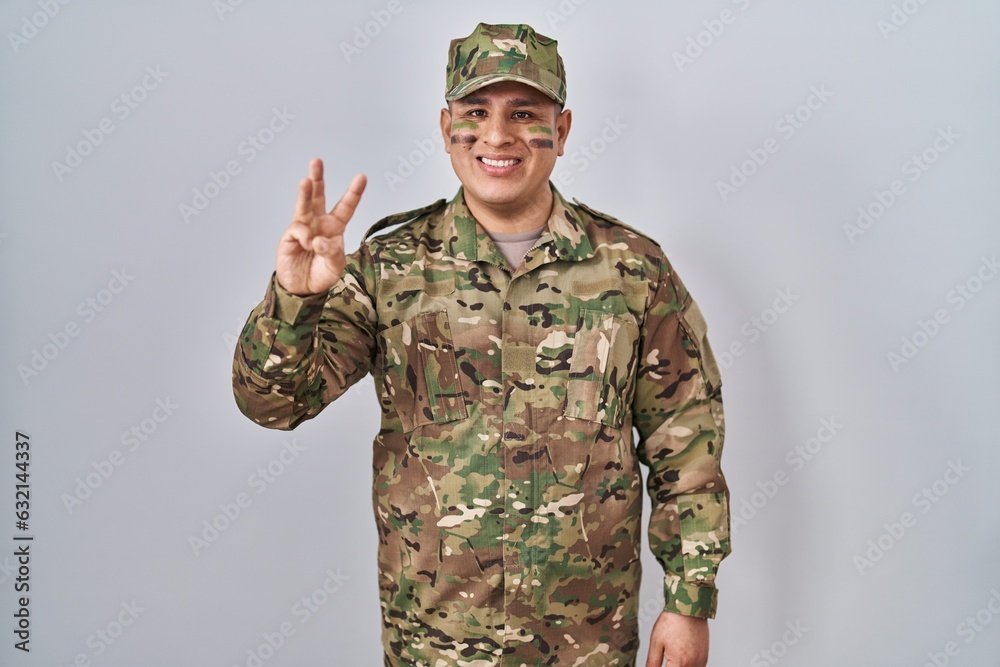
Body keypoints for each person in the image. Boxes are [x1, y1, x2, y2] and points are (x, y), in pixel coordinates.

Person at [232, 22, 731, 667]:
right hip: (434, 641)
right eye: (476, 112)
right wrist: (296, 298)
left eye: (525, 113)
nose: (498, 136)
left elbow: (686, 441)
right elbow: (273, 405)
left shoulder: (631, 269)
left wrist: (689, 601)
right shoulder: (391, 267)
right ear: (447, 130)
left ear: (564, 129)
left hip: (587, 641)